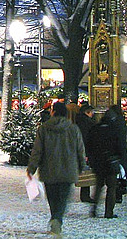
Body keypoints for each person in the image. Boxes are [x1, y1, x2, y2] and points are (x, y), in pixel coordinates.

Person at [27, 101, 87, 236]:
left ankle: (55, 219)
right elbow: (80, 149)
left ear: (53, 112)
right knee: (63, 198)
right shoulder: (73, 129)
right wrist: (82, 165)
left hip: (49, 170)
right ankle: (57, 220)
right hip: (68, 170)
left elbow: (37, 151)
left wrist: (32, 168)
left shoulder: (44, 129)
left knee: (53, 198)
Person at [87, 104, 127, 219]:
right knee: (111, 187)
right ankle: (108, 212)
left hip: (98, 162)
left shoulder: (95, 128)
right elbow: (120, 146)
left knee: (98, 186)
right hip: (111, 162)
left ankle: (94, 209)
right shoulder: (114, 129)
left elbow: (89, 145)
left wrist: (92, 159)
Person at [75, 103, 96, 203]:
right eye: (92, 112)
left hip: (81, 150)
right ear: (87, 112)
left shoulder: (78, 121)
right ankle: (85, 195)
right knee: (86, 172)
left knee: (84, 171)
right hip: (86, 150)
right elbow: (87, 138)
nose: (93, 114)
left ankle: (85, 194)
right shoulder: (87, 123)